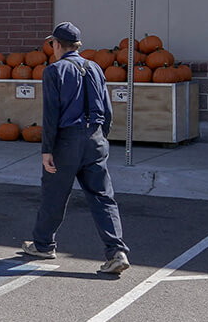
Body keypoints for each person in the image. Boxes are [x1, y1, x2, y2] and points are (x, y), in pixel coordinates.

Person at [20, 22, 132, 276]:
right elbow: (107, 108)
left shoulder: (53, 71)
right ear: (78, 46)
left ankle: (43, 245)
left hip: (66, 141)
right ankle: (116, 252)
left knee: (54, 194)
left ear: (57, 45)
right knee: (103, 197)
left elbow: (51, 114)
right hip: (95, 138)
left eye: (52, 44)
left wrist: (47, 149)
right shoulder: (95, 67)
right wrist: (100, 136)